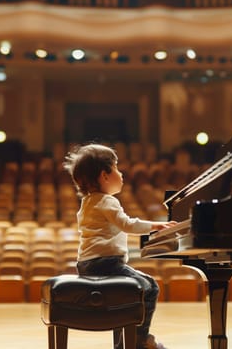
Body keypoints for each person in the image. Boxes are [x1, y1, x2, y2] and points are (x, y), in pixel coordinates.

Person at [63, 143, 177, 349]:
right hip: (106, 264)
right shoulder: (107, 201)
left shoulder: (88, 203)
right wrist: (156, 225)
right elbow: (128, 224)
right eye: (116, 167)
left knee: (125, 298)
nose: (121, 173)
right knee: (150, 287)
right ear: (104, 176)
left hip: (87, 264)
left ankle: (124, 344)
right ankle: (140, 339)